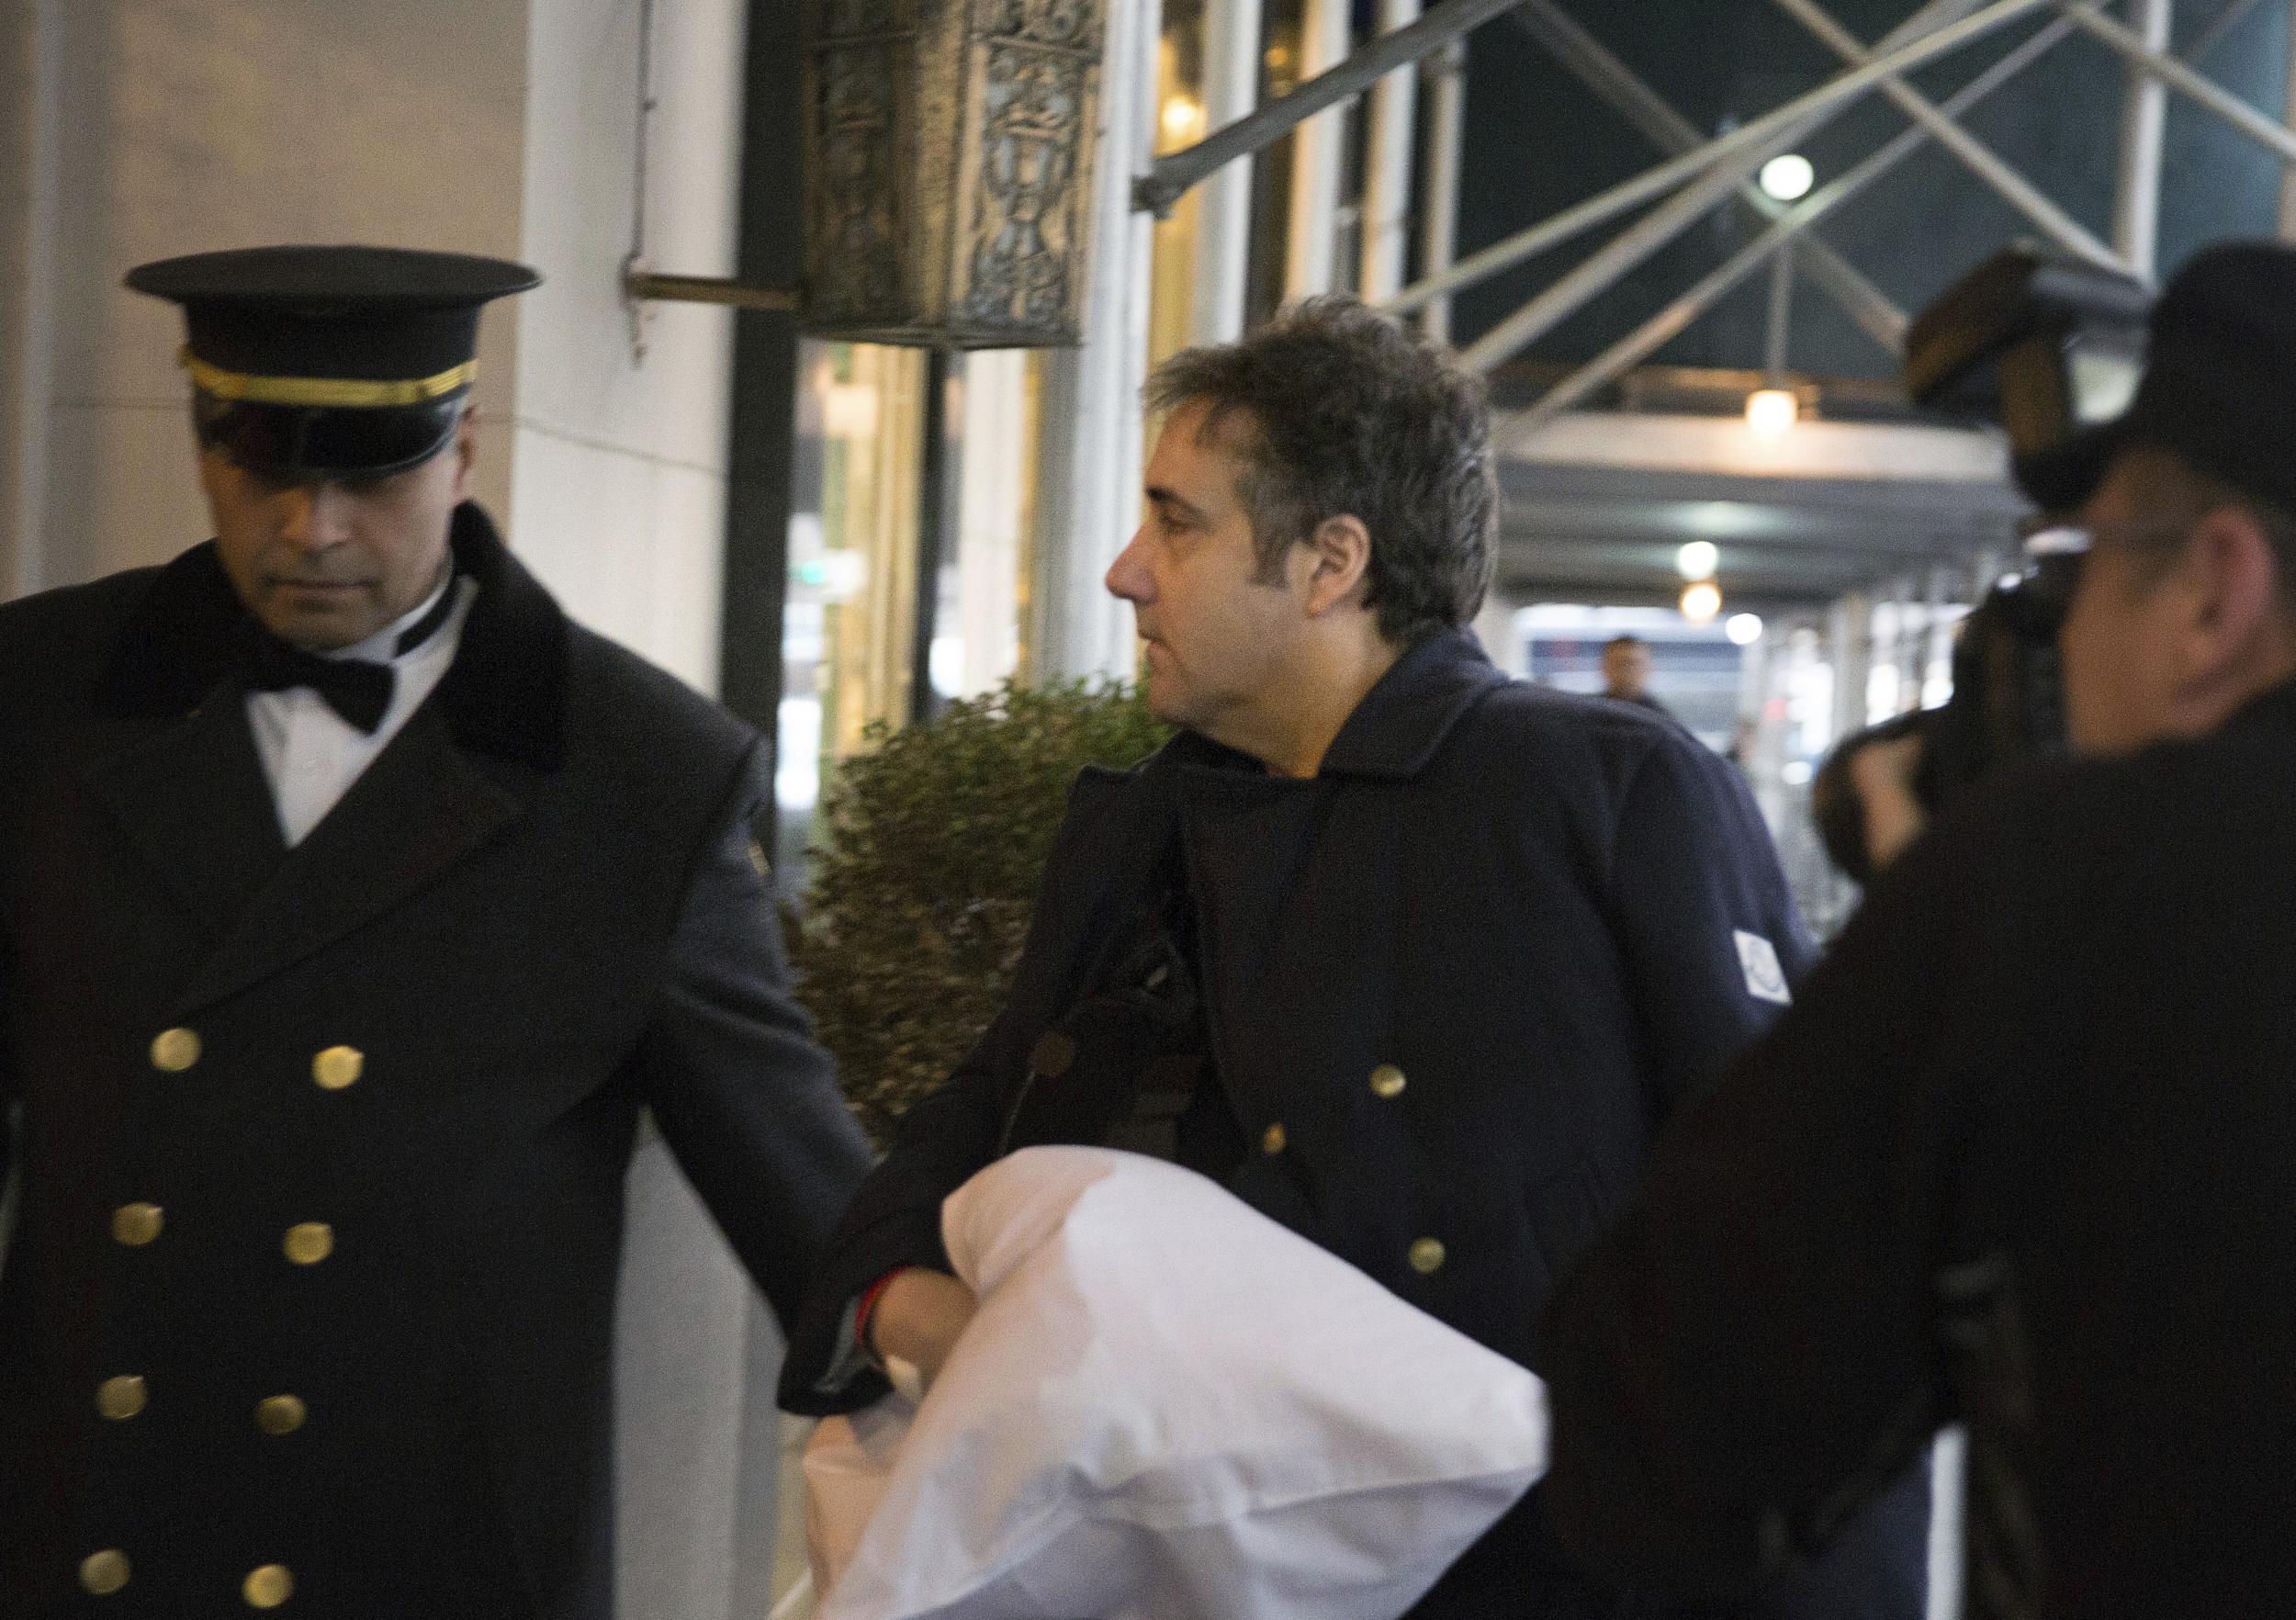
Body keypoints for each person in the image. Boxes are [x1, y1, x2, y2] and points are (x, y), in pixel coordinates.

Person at [780, 298, 1927, 1617]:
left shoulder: (1606, 790)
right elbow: (970, 1128)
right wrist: (934, 1327)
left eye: (1177, 520)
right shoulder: (1146, 827)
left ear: (1331, 563)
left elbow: (1814, 1257)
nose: (1125, 570)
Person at [0, 245, 872, 1617]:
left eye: (369, 477)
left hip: (434, 1564)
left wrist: (1037, 1389)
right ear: (200, 442)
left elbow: (800, 1185)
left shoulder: (635, 776)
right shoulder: (42, 700)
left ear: (463, 448)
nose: (313, 530)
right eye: (266, 474)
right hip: (93, 1542)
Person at [1537, 241, 2296, 1620]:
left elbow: (1661, 1450)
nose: (2053, 638)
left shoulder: (2068, 887)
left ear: (2211, 589)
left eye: (2074, 567)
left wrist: (1938, 936)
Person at [1601, 632, 1670, 714]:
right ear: (1604, 666)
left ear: (1649, 668)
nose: (1626, 671)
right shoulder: (1589, 712)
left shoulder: (1661, 718)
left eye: (1633, 664)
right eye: (1620, 664)